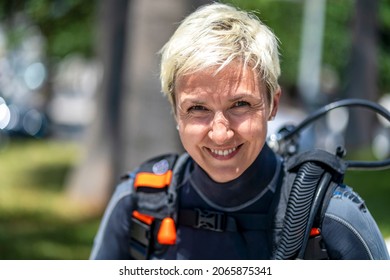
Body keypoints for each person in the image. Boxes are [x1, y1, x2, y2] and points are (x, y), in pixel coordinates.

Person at [89, 2, 389, 260]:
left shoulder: (332, 216)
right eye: (197, 109)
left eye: (241, 104)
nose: (220, 134)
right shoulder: (137, 203)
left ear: (273, 104)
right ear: (174, 111)